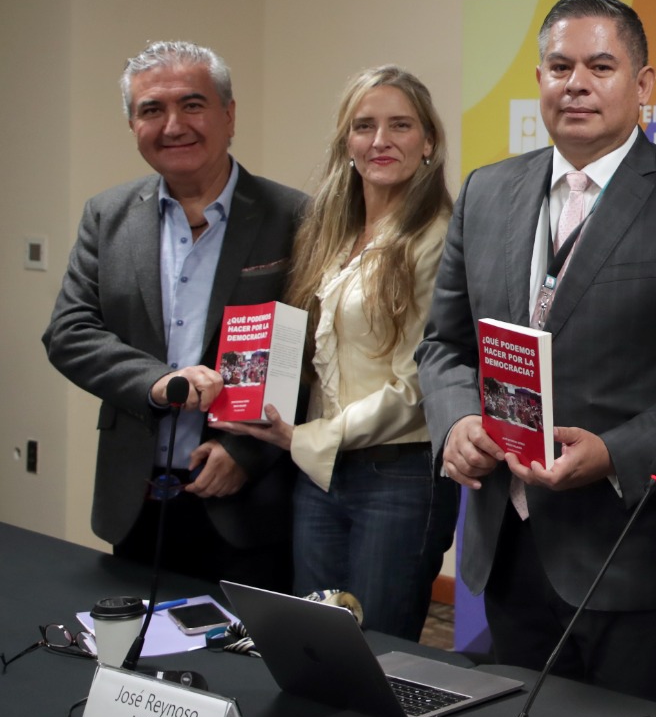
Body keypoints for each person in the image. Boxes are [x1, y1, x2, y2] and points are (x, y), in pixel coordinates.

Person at [416, 0, 656, 706]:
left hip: (632, 559)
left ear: (643, 85)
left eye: (600, 66)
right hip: (509, 550)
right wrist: (456, 423)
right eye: (559, 66)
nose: (576, 83)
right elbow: (444, 346)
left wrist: (615, 454)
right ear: (537, 79)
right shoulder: (486, 192)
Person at [43, 41, 306, 588]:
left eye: (192, 105)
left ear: (228, 114)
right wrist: (161, 382)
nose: (173, 126)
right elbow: (69, 333)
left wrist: (245, 453)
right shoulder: (106, 216)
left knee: (243, 665)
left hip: (248, 501)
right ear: (133, 124)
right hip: (136, 493)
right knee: (135, 660)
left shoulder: (294, 217)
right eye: (151, 110)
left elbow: (312, 354)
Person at [213, 66, 455, 640]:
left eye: (400, 125)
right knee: (314, 643)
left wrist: (307, 438)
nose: (380, 140)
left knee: (379, 651)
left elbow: (421, 383)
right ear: (346, 142)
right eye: (364, 126)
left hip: (399, 475)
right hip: (318, 475)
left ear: (429, 142)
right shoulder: (328, 231)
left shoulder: (439, 235)